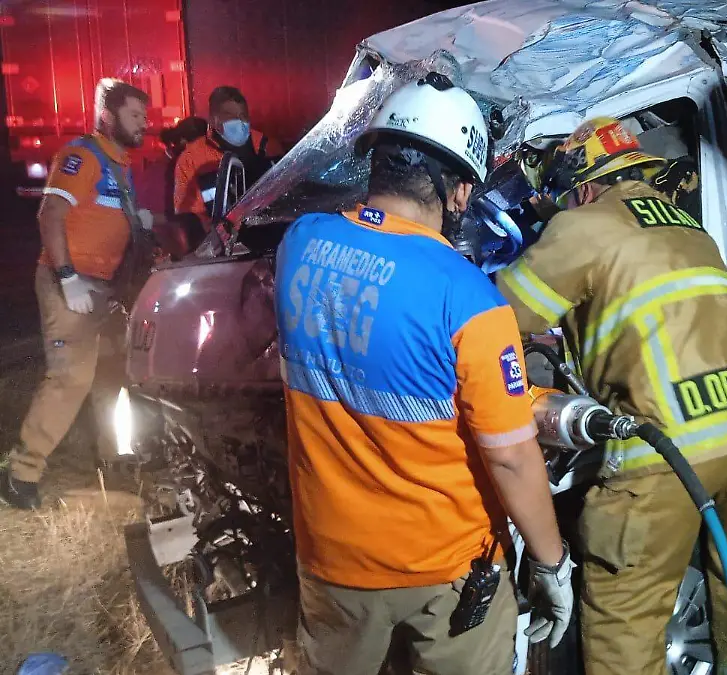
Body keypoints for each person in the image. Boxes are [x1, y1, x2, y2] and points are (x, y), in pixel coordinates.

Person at [274, 73, 574, 675]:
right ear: (458, 191)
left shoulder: (300, 243)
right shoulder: (467, 298)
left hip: (331, 560)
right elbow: (512, 458)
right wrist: (550, 563)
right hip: (447, 574)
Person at [494, 117, 727, 675]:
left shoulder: (584, 225)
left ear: (583, 183)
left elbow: (495, 317)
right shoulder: (688, 227)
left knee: (625, 612)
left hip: (668, 446)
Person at [1, 79, 155, 510]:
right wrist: (68, 277)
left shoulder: (119, 164)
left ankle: (113, 458)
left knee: (111, 376)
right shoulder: (80, 156)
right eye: (135, 116)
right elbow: (51, 213)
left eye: (145, 116)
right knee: (71, 376)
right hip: (71, 283)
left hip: (106, 288)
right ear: (108, 116)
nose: (144, 124)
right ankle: (21, 474)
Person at [173, 86, 282, 247]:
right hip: (222, 249)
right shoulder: (192, 159)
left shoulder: (268, 147)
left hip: (272, 241)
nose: (239, 122)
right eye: (230, 117)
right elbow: (189, 217)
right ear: (214, 120)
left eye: (243, 116)